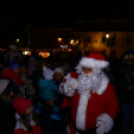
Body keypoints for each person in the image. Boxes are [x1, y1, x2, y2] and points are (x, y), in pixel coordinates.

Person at [59, 52, 120, 134]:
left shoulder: (107, 87)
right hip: (74, 130)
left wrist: (105, 122)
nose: (86, 72)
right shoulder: (75, 79)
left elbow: (113, 108)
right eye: (84, 68)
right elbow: (67, 98)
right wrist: (67, 88)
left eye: (89, 69)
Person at [38, 67, 66, 134]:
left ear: (63, 75)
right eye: (56, 74)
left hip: (60, 112)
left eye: (60, 74)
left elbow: (66, 99)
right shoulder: (48, 82)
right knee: (48, 130)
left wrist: (55, 103)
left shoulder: (66, 85)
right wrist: (45, 102)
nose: (58, 76)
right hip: (47, 111)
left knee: (61, 130)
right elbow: (41, 94)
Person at [117, 66, 134, 134]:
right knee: (125, 120)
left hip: (133, 103)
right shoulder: (124, 78)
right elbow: (119, 90)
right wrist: (126, 89)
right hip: (126, 103)